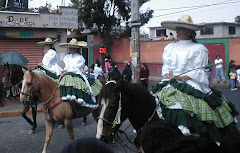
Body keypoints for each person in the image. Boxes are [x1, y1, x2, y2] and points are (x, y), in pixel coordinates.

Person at [151, 15, 239, 142]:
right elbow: (166, 67)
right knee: (155, 101)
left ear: (188, 31)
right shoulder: (170, 48)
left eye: (180, 29)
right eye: (177, 29)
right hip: (171, 81)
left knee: (189, 104)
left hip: (191, 82)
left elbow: (199, 71)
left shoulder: (199, 49)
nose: (177, 32)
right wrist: (169, 75)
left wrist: (183, 77)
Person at [58, 38, 102, 109]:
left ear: (76, 49)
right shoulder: (67, 57)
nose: (72, 49)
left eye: (73, 48)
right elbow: (66, 67)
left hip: (76, 73)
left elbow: (76, 69)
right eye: (71, 48)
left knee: (70, 78)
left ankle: (77, 97)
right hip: (67, 73)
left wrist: (67, 72)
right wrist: (64, 71)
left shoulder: (80, 58)